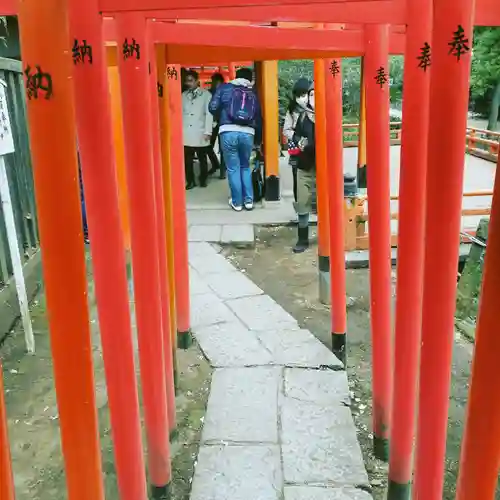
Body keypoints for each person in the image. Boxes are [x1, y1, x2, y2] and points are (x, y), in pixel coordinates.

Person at [209, 67, 262, 212]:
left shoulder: (225, 88)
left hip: (228, 131)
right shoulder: (253, 93)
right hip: (248, 133)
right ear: (249, 78)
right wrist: (258, 139)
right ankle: (249, 201)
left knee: (233, 168)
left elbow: (212, 107)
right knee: (245, 166)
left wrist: (222, 114)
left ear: (236, 76)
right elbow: (258, 117)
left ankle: (237, 202)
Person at [292, 81, 316, 253]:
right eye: (311, 95)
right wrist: (299, 142)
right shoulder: (303, 116)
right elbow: (297, 135)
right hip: (305, 166)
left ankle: (330, 237)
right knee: (302, 201)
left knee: (327, 205)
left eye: (316, 94)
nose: (313, 98)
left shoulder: (329, 114)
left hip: (325, 166)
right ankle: (302, 238)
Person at [182, 69, 213, 189]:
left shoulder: (206, 95)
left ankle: (203, 179)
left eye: (191, 81)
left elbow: (209, 114)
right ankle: (190, 181)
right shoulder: (183, 96)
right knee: (187, 160)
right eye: (187, 81)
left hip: (200, 130)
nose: (188, 83)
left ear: (197, 81)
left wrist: (208, 131)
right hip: (187, 132)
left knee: (202, 158)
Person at [283, 78, 311, 203]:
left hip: (314, 147)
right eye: (299, 95)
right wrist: (297, 138)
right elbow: (286, 130)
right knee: (297, 177)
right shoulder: (292, 110)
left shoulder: (317, 108)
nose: (302, 98)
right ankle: (300, 207)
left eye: (304, 95)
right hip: (297, 148)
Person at [207, 72, 226, 179]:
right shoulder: (209, 93)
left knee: (223, 149)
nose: (215, 84)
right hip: (213, 123)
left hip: (223, 122)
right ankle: (215, 164)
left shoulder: (226, 92)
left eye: (216, 82)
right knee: (208, 146)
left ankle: (222, 171)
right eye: (213, 82)